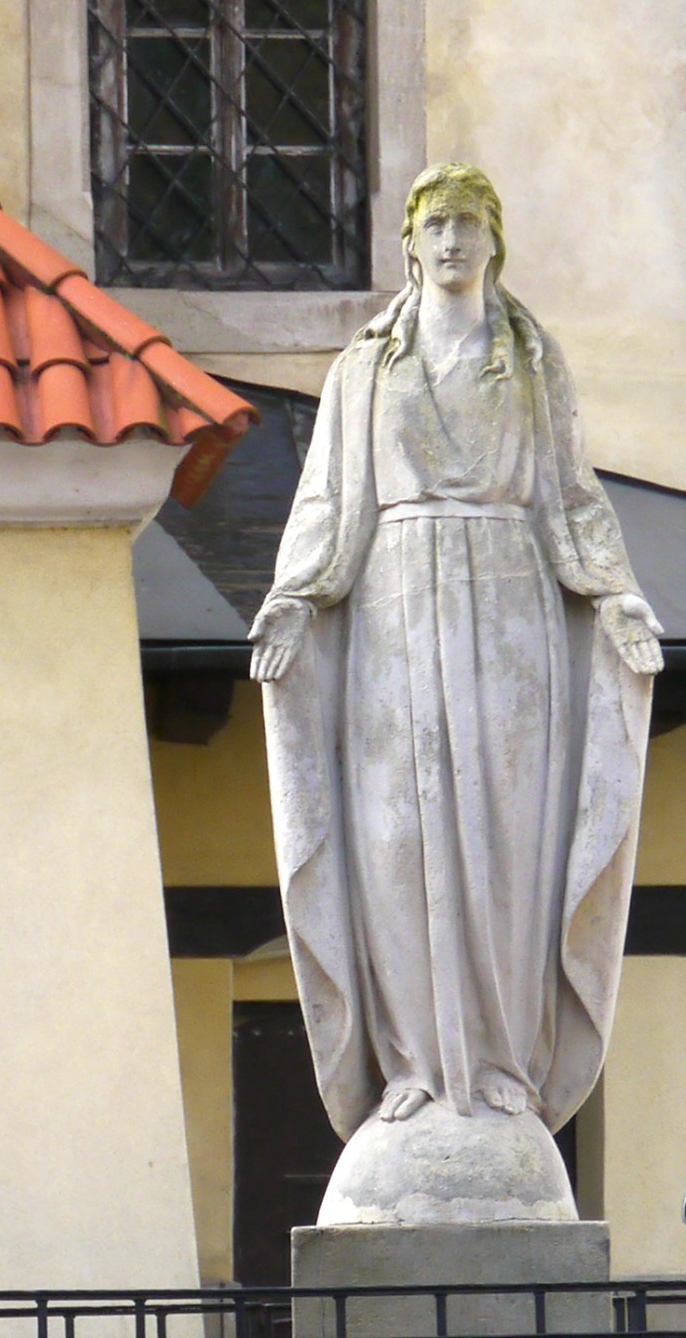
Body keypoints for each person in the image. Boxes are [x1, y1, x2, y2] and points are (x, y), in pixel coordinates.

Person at [249, 163, 663, 1152]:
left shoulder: (532, 362)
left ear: (494, 240)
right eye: (435, 225)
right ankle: (414, 1066)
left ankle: (500, 1064)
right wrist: (294, 597)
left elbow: (569, 495)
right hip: (392, 605)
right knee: (395, 833)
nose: (451, 243)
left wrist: (615, 593)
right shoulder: (364, 368)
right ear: (408, 243)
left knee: (506, 837)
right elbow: (328, 497)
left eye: (468, 224)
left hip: (511, 607)